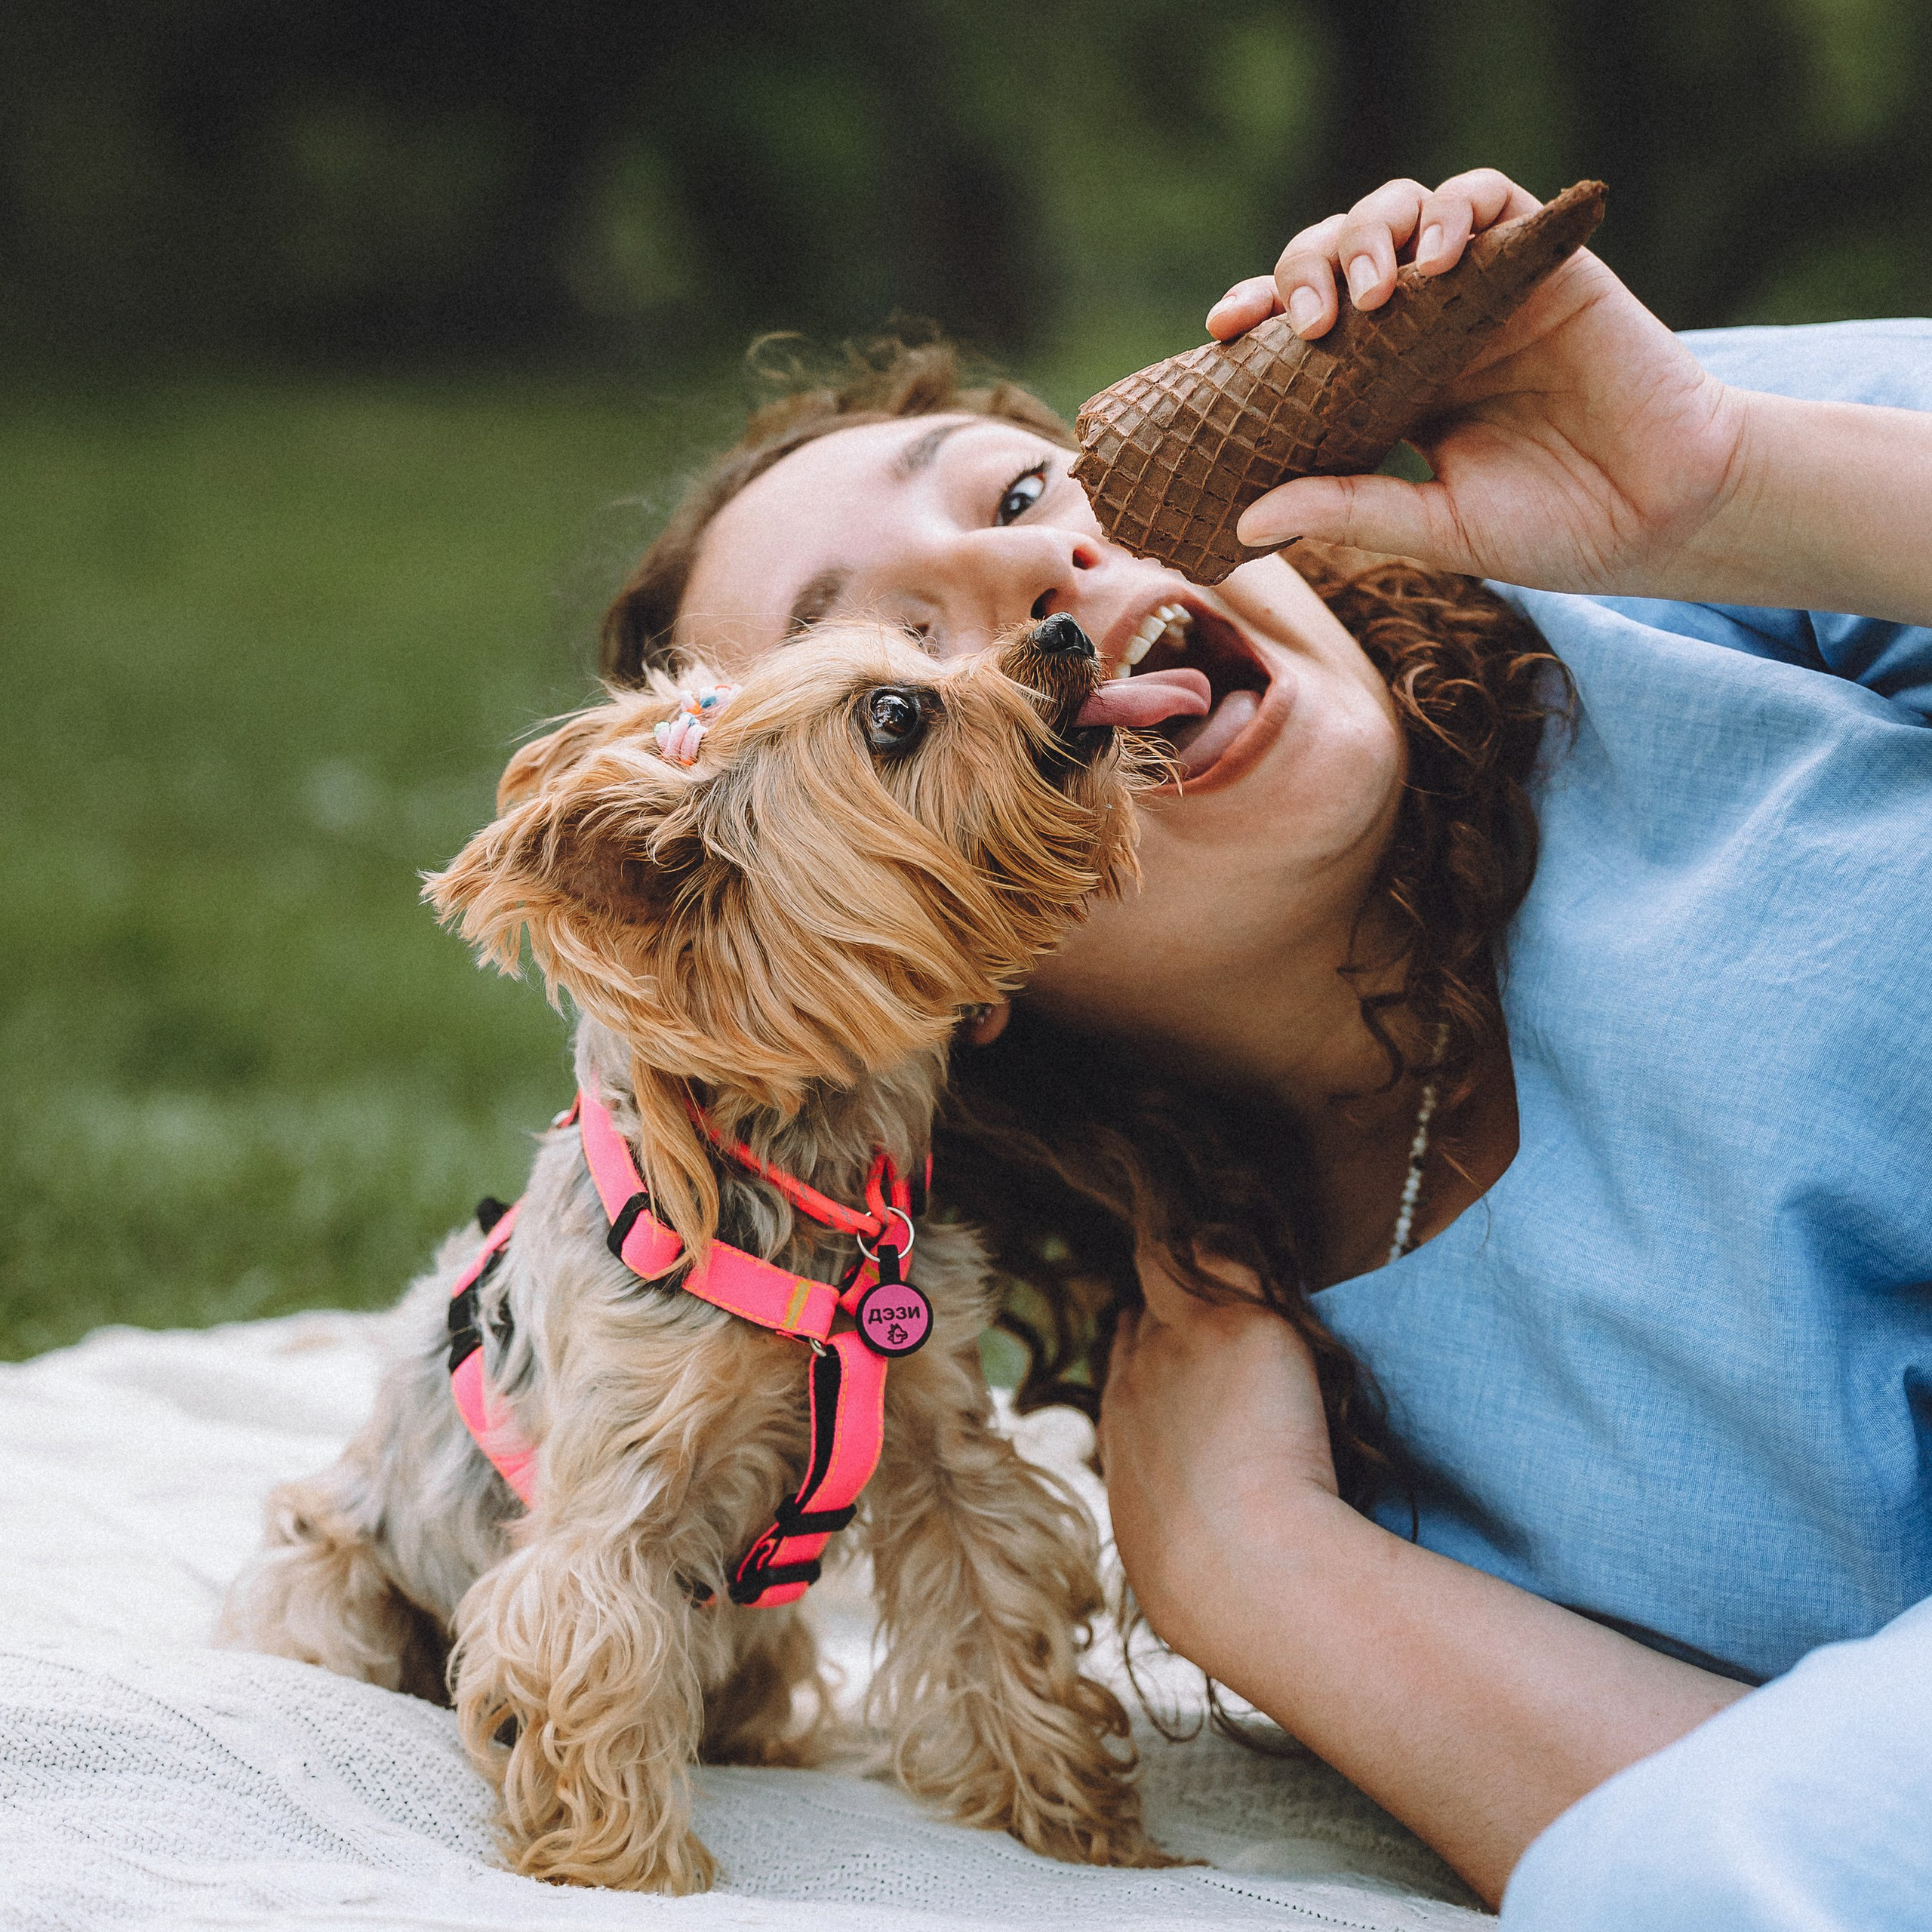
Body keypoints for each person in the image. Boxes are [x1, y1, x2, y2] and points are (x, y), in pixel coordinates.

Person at [598, 168, 1932, 1926]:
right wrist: (1272, 1575)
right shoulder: (1270, 1427)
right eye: (896, 688)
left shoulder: (1650, 547)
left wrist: (1726, 484)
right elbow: (1746, 1861)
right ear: (891, 975)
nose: (1028, 562)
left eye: (1021, 488)